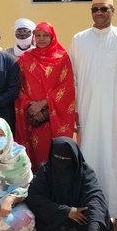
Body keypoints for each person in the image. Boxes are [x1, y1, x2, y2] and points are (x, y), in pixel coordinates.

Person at [69, 0, 117, 229]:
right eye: (95, 9)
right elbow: (75, 79)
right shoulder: (79, 39)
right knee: (89, 158)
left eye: (104, 8)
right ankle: (92, 209)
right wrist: (75, 112)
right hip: (87, 111)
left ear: (113, 10)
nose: (99, 13)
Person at [26, 137, 115, 231]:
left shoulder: (85, 173)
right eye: (58, 158)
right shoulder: (46, 172)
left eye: (66, 160)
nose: (62, 163)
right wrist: (66, 211)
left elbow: (95, 200)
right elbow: (34, 197)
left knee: (94, 218)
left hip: (82, 218)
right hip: (57, 219)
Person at [14, 22, 76, 169]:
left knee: (56, 157)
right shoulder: (25, 58)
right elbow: (19, 87)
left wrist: (43, 106)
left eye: (45, 35)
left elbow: (67, 87)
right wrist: (30, 106)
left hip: (54, 116)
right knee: (35, 159)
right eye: (38, 35)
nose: (41, 39)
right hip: (32, 116)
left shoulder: (62, 57)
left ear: (52, 37)